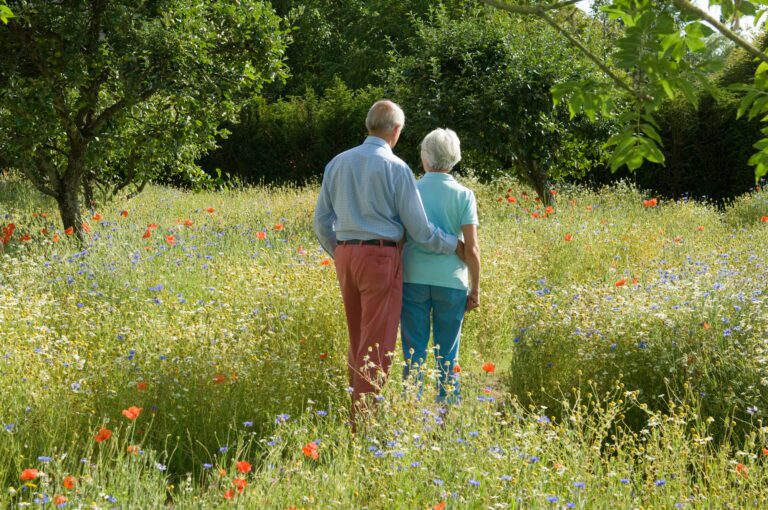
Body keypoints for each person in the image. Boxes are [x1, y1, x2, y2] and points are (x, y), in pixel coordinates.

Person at [313, 100, 464, 427]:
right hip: (380, 256)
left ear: (369, 125)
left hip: (346, 255)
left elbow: (321, 221)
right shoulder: (396, 168)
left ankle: (354, 413)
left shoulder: (337, 163)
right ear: (396, 131)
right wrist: (455, 244)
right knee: (377, 343)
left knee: (358, 339)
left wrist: (338, 251)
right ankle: (362, 425)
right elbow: (421, 232)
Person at [400, 128, 480, 404]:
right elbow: (471, 248)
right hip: (451, 281)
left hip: (413, 277)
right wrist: (476, 288)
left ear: (425, 156)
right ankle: (445, 413)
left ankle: (411, 409)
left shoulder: (410, 189)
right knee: (448, 352)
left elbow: (400, 235)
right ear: (455, 158)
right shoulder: (464, 195)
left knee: (414, 350)